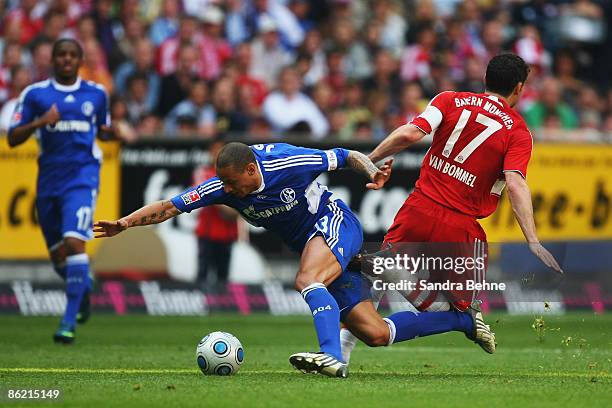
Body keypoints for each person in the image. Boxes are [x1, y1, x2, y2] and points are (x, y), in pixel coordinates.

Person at [94, 142, 495, 378]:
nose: (229, 191)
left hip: (335, 222)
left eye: (234, 183)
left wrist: (372, 170)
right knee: (376, 333)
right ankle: (461, 320)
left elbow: (345, 154)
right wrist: (125, 223)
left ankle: (332, 358)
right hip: (314, 244)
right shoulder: (224, 187)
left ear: (252, 169)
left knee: (306, 280)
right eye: (225, 185)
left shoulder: (287, 162)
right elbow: (170, 206)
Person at [340, 53, 563, 362]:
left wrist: (368, 162)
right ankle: (460, 318)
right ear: (519, 89)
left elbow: (408, 133)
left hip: (419, 207)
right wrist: (533, 239)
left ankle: (340, 353)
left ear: (485, 79)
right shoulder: (518, 132)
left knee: (376, 276)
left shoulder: (449, 100)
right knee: (455, 310)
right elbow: (515, 184)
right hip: (459, 227)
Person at [7, 39, 117, 344]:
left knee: (74, 242)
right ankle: (83, 287)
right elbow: (13, 138)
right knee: (57, 255)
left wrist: (113, 133)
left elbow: (105, 130)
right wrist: (41, 121)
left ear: (80, 59)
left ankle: (67, 323)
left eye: (72, 55)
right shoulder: (35, 95)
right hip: (49, 181)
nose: (67, 60)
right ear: (52, 60)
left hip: (82, 177)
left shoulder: (96, 94)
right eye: (61, 55)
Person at [192, 140, 238, 290]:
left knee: (223, 277)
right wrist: (232, 207)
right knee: (202, 275)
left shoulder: (235, 175)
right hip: (207, 232)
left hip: (227, 233)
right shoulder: (203, 172)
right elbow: (209, 198)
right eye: (215, 151)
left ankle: (221, 306)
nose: (218, 155)